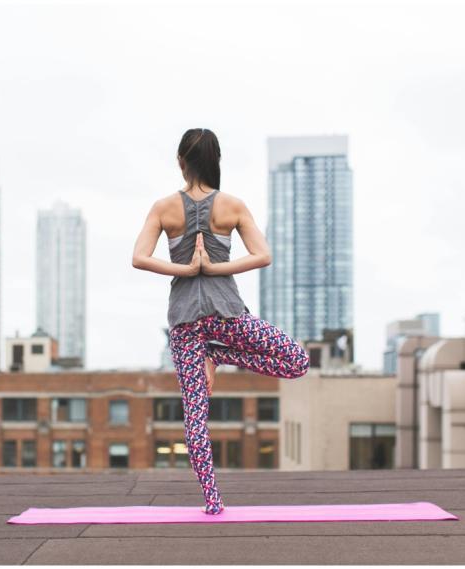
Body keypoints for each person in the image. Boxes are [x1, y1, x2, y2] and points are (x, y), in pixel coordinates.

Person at [131, 128, 310, 514]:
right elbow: (263, 255)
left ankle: (213, 503)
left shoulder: (163, 208)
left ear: (181, 162)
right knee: (297, 361)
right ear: (216, 162)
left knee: (195, 416)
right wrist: (215, 267)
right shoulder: (232, 206)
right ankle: (221, 354)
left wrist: (189, 268)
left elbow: (139, 257)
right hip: (227, 316)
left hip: (186, 325)